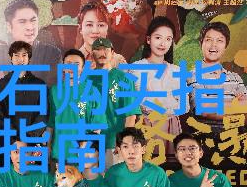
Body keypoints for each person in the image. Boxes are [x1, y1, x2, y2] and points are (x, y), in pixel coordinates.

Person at [127, 16, 184, 155]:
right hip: (144, 126)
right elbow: (132, 102)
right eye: (158, 37)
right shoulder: (135, 68)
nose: (163, 43)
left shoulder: (176, 70)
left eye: (168, 39)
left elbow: (184, 105)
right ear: (148, 39)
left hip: (171, 127)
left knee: (170, 165)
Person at [187, 21, 247, 133]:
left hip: (237, 138)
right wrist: (236, 104)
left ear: (226, 46)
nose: (214, 45)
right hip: (207, 139)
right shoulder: (192, 76)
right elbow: (205, 110)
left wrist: (215, 105)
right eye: (209, 40)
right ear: (201, 43)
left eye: (220, 40)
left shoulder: (236, 78)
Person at [47, 48, 106, 169]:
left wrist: (88, 151)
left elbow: (97, 126)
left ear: (83, 68)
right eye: (68, 63)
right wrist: (47, 146)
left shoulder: (92, 91)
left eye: (76, 64)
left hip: (83, 156)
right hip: (59, 152)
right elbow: (50, 123)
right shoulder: (54, 91)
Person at [89, 38, 141, 169]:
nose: (102, 53)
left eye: (105, 50)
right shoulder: (85, 80)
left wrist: (125, 143)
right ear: (91, 54)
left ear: (112, 53)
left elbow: (131, 116)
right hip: (88, 144)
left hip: (113, 143)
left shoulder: (123, 79)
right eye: (98, 50)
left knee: (115, 178)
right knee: (91, 180)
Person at [0, 41, 49, 155]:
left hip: (32, 143)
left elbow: (43, 115)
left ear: (29, 58)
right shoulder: (1, 85)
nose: (20, 59)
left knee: (32, 167)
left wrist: (28, 138)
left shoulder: (39, 84)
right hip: (8, 142)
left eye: (24, 55)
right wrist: (14, 140)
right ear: (11, 58)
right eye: (16, 55)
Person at [0, 0, 62, 85]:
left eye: (33, 20)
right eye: (22, 22)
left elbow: (52, 88)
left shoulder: (52, 53)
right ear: (9, 26)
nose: (30, 27)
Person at [77, 0, 126, 69]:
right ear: (80, 29)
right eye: (89, 25)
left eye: (101, 25)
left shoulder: (118, 61)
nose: (95, 31)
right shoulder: (72, 61)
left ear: (107, 29)